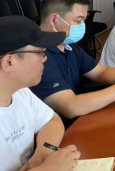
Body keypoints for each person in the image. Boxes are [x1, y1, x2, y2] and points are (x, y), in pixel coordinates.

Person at [31, 0, 115, 128]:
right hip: (61, 130)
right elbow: (70, 107)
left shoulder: (68, 45)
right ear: (54, 20)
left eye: (84, 20)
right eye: (78, 21)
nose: (83, 26)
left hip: (81, 119)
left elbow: (100, 72)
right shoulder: (39, 56)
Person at [0, 16, 81, 171]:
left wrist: (41, 156)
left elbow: (52, 121)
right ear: (9, 62)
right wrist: (48, 169)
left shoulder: (20, 92)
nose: (45, 59)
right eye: (41, 52)